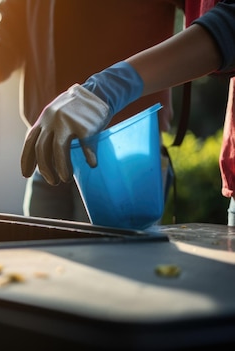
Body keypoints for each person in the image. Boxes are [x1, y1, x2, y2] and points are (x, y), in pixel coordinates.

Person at [0, 0, 181, 221]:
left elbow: (214, 23)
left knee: (114, 275)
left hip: (122, 151)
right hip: (48, 153)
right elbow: (9, 35)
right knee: (46, 274)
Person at [20, 0, 235, 220]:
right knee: (42, 252)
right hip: (51, 147)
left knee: (115, 254)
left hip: (125, 147)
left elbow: (225, 22)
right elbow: (8, 31)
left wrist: (108, 88)